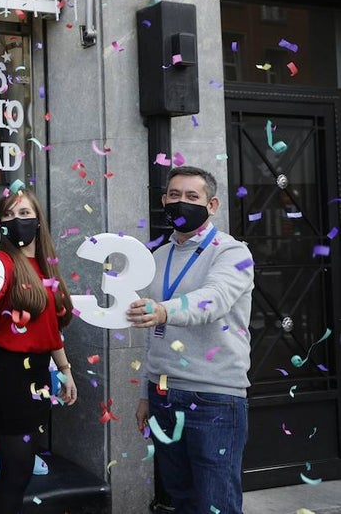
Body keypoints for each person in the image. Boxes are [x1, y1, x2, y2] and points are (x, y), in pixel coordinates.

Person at [126, 166, 253, 514]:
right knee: (180, 499)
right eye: (174, 195)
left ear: (212, 205)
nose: (181, 202)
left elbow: (214, 299)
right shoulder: (158, 257)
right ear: (163, 201)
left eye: (192, 196)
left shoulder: (233, 252)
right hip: (163, 395)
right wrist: (146, 392)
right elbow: (154, 332)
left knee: (216, 503)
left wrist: (163, 311)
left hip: (214, 398)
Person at [0, 188, 77, 513]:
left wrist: (65, 370)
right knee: (16, 469)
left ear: (38, 220)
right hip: (7, 374)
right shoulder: (3, 262)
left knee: (19, 470)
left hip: (39, 374)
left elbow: (50, 328)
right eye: (8, 214)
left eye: (24, 214)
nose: (16, 220)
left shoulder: (45, 266)